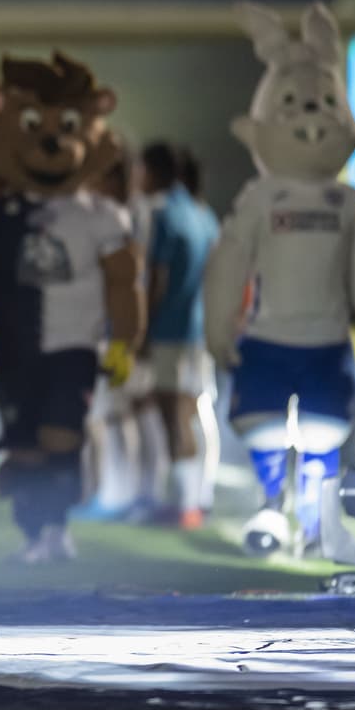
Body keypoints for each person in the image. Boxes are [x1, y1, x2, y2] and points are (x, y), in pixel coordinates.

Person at [140, 142, 218, 529]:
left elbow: (158, 278)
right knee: (195, 413)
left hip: (171, 330)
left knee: (175, 416)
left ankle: (185, 503)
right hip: (201, 330)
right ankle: (198, 497)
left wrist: (142, 328)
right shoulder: (203, 215)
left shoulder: (167, 215)